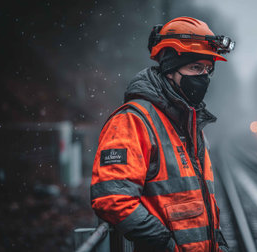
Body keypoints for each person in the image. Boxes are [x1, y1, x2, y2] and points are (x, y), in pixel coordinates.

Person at [90, 16, 234, 252]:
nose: (204, 77)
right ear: (169, 70)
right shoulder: (134, 121)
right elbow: (113, 198)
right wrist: (163, 244)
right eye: (195, 67)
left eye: (208, 69)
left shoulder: (189, 123)